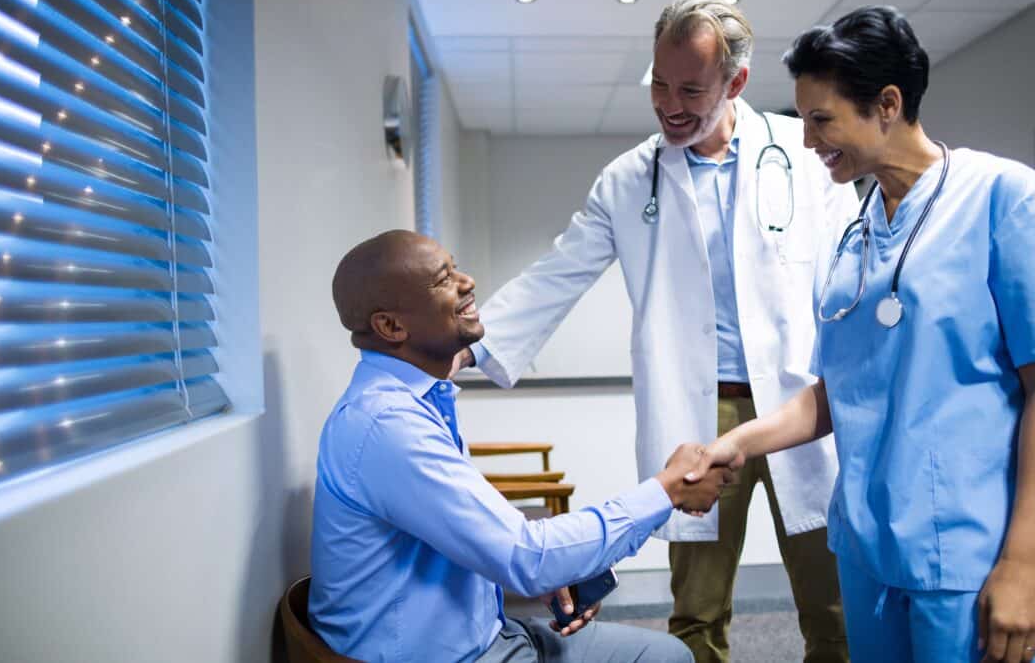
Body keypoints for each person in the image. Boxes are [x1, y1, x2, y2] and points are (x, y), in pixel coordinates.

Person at [685, 6, 1035, 663]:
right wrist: (735, 443)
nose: (808, 141)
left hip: (975, 550)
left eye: (821, 119)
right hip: (870, 549)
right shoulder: (856, 236)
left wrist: (1025, 561)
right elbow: (840, 391)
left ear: (887, 103)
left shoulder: (1009, 202)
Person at [452, 0, 856, 661]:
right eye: (659, 82)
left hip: (797, 401)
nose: (670, 102)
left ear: (736, 83)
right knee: (696, 611)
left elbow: (851, 266)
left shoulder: (803, 153)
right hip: (698, 412)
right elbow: (559, 272)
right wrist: (468, 345)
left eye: (691, 88)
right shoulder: (628, 180)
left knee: (833, 599)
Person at [309, 230, 730, 663]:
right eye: (443, 279)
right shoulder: (388, 426)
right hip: (456, 657)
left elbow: (476, 536)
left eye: (455, 266)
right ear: (392, 326)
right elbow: (528, 557)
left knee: (665, 654)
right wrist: (667, 490)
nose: (467, 282)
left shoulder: (418, 399)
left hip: (490, 630)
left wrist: (549, 571)